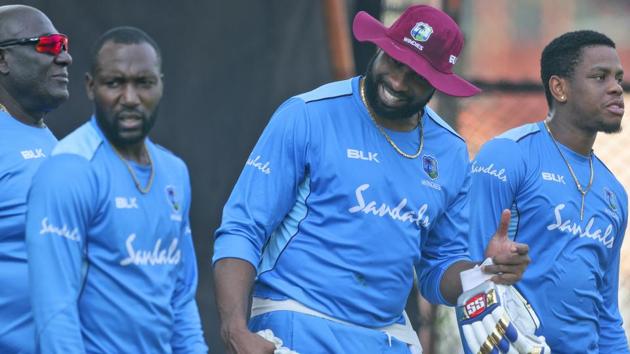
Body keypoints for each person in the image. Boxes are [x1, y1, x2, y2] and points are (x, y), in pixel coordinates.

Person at [213, 5, 530, 353]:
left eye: (418, 76)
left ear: (438, 84)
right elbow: (243, 227)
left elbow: (437, 271)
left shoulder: (450, 152)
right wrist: (235, 329)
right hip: (296, 318)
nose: (398, 81)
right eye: (395, 61)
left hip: (386, 336)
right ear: (381, 48)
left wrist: (484, 273)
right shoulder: (307, 115)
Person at [24, 26, 207, 353]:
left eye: (144, 83)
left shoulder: (174, 172)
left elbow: (181, 299)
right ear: (91, 87)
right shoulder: (68, 169)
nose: (130, 98)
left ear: (161, 84)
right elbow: (55, 308)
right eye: (115, 83)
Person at [468, 30, 629, 353]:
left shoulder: (615, 193)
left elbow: (607, 312)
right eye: (599, 77)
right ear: (559, 88)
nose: (615, 87)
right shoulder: (508, 156)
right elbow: (469, 275)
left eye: (618, 77)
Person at [0, 5, 72, 352]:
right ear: (3, 60)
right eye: (47, 45)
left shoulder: (50, 142)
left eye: (64, 45)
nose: (65, 57)